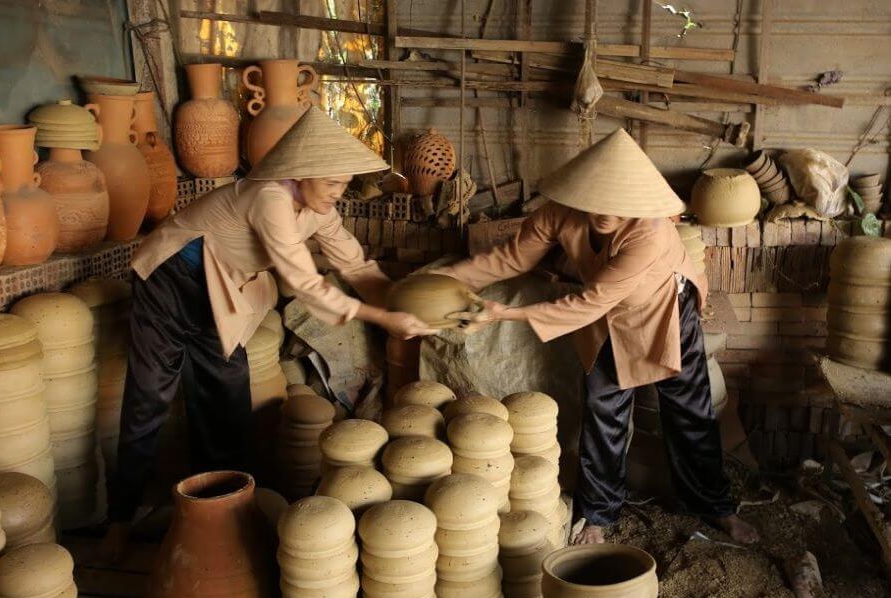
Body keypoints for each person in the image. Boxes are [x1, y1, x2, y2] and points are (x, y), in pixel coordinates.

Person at [101, 107, 437, 559]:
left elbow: (355, 265)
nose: (339, 194)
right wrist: (382, 319)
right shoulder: (270, 199)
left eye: (343, 185)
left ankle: (217, 516)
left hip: (220, 291)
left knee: (226, 399)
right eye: (332, 183)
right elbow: (304, 282)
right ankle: (120, 522)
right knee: (149, 400)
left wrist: (404, 303)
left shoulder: (319, 209)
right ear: (301, 173)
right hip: (169, 283)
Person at [438, 129, 759, 545]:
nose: (605, 211)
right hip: (606, 312)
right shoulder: (560, 212)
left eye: (618, 202)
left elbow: (588, 302)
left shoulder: (651, 234)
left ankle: (715, 507)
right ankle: (599, 514)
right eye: (597, 199)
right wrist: (447, 278)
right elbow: (512, 258)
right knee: (603, 411)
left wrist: (504, 314)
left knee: (688, 412)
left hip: (664, 309)